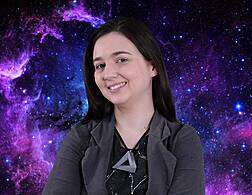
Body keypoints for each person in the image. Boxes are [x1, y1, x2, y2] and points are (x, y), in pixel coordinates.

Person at [42, 17, 205, 195]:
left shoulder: (182, 140)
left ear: (153, 66)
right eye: (100, 65)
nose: (108, 74)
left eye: (121, 60)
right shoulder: (80, 138)